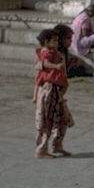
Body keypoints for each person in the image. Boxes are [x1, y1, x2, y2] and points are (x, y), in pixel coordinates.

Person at [34, 29, 74, 158]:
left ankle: (57, 145)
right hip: (50, 89)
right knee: (47, 120)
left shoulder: (60, 53)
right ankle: (41, 150)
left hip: (58, 91)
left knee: (63, 119)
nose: (71, 41)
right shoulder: (48, 53)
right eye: (68, 38)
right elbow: (39, 66)